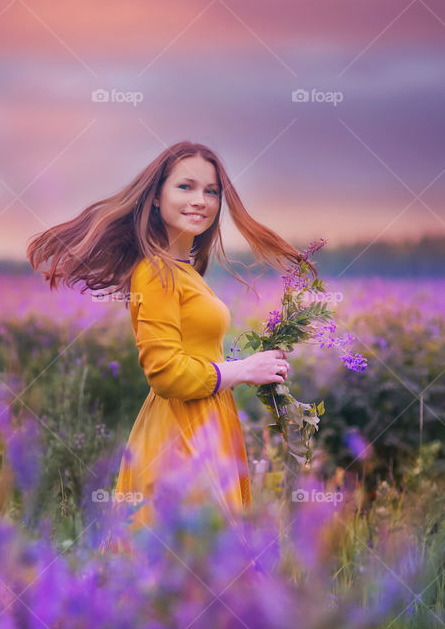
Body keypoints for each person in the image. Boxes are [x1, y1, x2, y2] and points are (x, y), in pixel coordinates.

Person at [27, 141, 306, 550]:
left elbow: (195, 354)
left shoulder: (183, 270)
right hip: (180, 434)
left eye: (211, 191)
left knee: (209, 573)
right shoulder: (155, 272)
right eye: (186, 187)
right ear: (156, 198)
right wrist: (245, 370)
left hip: (207, 421)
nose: (201, 201)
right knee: (187, 569)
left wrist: (255, 365)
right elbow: (166, 373)